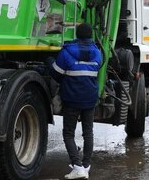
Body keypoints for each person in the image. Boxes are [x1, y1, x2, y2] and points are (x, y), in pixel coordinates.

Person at [50, 23, 101, 180]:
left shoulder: (66, 52)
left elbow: (57, 74)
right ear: (90, 35)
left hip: (72, 99)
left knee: (68, 133)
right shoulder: (98, 53)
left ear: (77, 35)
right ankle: (86, 166)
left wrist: (49, 61)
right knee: (88, 132)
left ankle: (77, 167)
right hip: (90, 99)